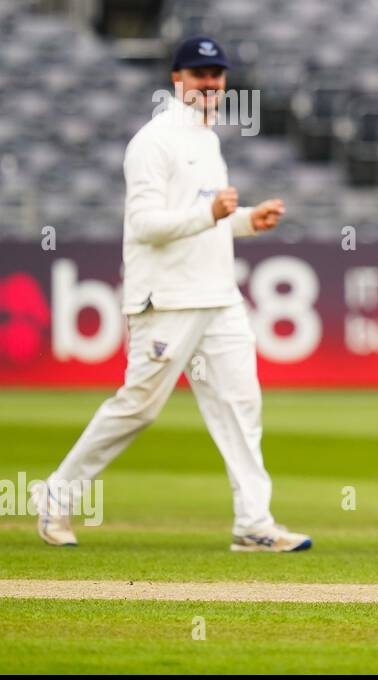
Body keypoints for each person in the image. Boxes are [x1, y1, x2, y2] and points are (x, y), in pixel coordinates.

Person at [31, 36, 310, 552]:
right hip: (167, 300)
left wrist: (247, 220)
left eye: (217, 75)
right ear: (176, 79)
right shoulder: (153, 142)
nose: (210, 84)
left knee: (241, 405)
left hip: (218, 297)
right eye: (199, 74)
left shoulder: (208, 140)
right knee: (138, 406)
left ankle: (254, 523)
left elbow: (207, 221)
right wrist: (212, 214)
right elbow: (144, 225)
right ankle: (54, 497)